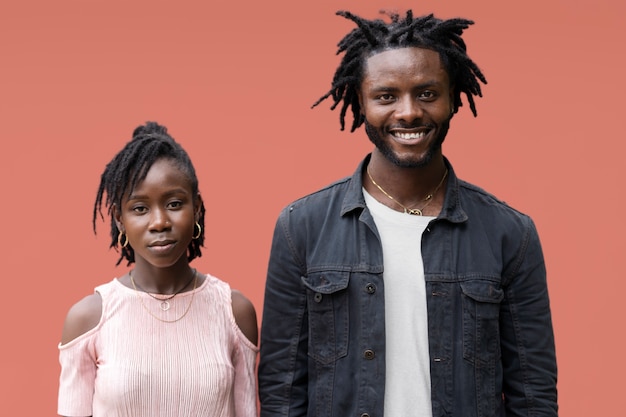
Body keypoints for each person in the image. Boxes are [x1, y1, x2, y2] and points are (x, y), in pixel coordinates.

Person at [258, 10, 557, 417]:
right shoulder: (302, 227)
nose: (409, 112)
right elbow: (281, 390)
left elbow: (534, 395)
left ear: (453, 98)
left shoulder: (509, 233)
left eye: (427, 93)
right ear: (360, 103)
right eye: (386, 96)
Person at [57, 122, 259, 417]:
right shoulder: (88, 319)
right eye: (140, 208)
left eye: (175, 203)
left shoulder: (234, 312)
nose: (160, 221)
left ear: (197, 208)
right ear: (119, 219)